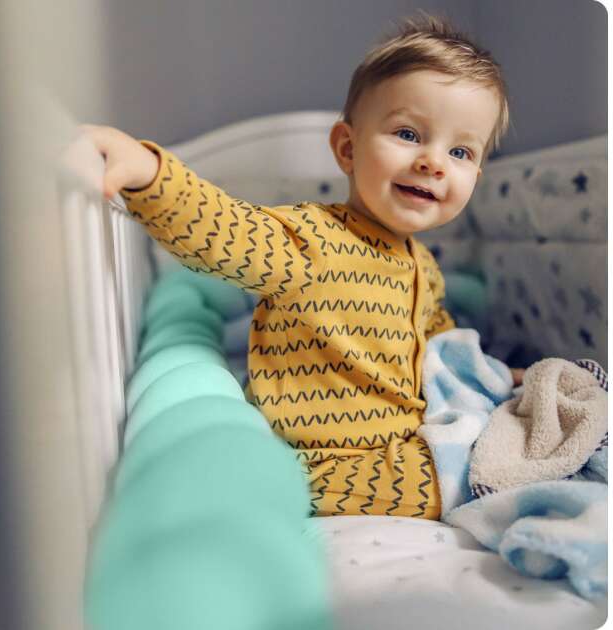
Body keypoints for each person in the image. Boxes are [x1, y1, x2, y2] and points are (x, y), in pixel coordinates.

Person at [62, 13, 510, 520]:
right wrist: (149, 174)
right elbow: (225, 230)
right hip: (322, 454)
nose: (434, 162)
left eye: (460, 151)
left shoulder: (421, 264)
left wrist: (491, 375)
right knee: (452, 480)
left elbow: (436, 339)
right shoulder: (310, 238)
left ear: (476, 174)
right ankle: (270, 480)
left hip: (401, 433)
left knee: (491, 434)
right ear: (348, 148)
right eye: (408, 134)